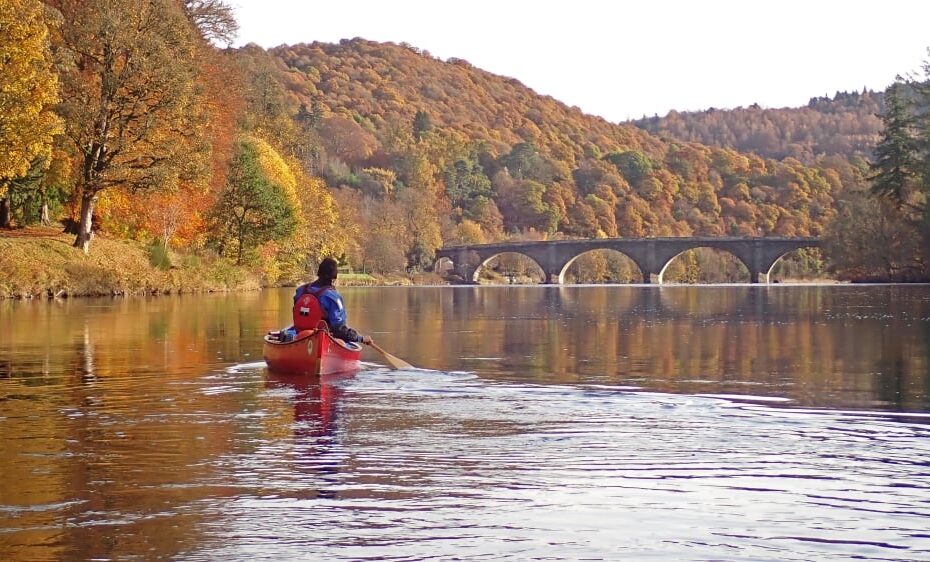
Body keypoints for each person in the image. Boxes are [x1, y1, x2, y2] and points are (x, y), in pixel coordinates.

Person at [281, 257, 372, 345]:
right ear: (334, 277)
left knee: (290, 333)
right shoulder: (333, 298)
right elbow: (339, 329)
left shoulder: (300, 291)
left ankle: (290, 338)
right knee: (341, 342)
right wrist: (360, 338)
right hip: (322, 337)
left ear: (319, 273)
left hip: (300, 335)